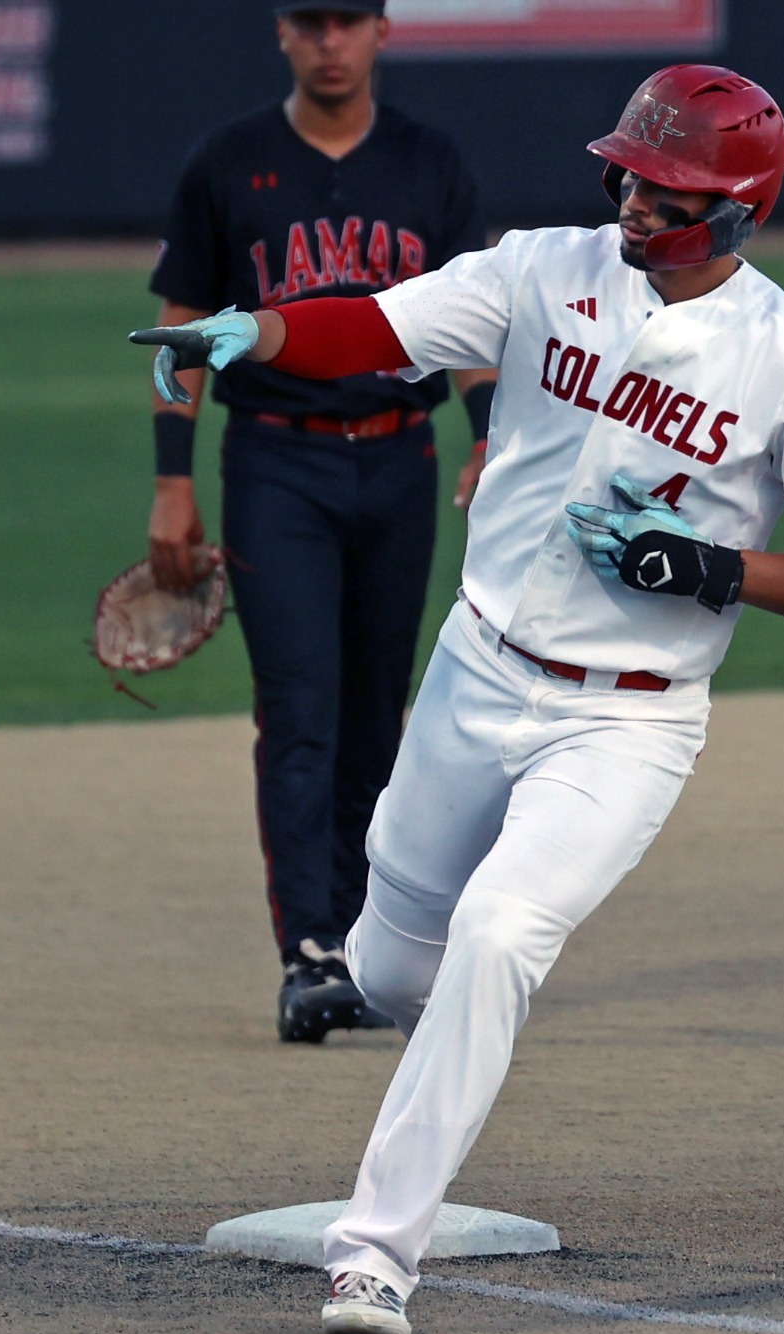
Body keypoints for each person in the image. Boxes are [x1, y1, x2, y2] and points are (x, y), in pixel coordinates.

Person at [136, 61, 784, 1334]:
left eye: (667, 190)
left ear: (735, 212)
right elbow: (379, 327)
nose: (633, 202)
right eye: (629, 174)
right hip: (476, 670)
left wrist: (722, 570)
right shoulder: (537, 269)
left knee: (499, 931)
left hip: (628, 720)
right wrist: (255, 332)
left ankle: (375, 1256)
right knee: (392, 962)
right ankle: (460, 1041)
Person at [144, 0, 494, 1043]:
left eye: (348, 21)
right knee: (300, 708)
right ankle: (308, 951)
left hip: (399, 455)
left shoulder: (431, 161)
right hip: (275, 462)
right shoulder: (230, 161)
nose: (329, 42)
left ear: (382, 31)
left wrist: (490, 433)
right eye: (311, 22)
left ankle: (367, 945)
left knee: (378, 712)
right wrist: (173, 480)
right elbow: (181, 329)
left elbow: (471, 323)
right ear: (282, 34)